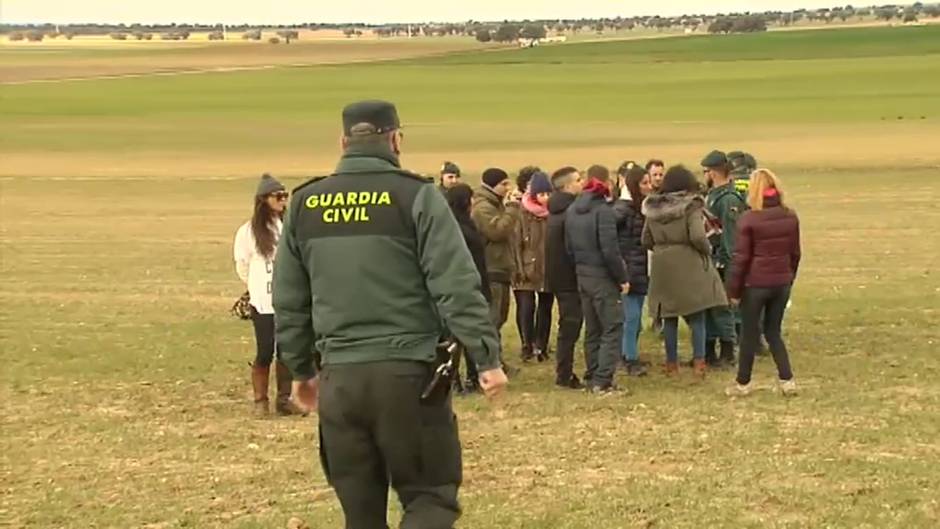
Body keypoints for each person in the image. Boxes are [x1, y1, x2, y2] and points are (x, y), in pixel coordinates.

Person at [273, 100, 508, 529]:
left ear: (343, 142)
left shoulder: (305, 203)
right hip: (407, 377)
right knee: (431, 499)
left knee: (360, 514)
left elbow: (289, 300)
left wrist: (301, 369)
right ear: (396, 139)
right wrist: (486, 357)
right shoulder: (417, 196)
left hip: (340, 380)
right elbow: (455, 283)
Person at [642, 165, 729, 378]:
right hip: (689, 262)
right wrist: (707, 251)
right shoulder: (691, 207)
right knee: (697, 314)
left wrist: (663, 250)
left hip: (663, 266)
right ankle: (699, 361)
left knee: (669, 316)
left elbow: (645, 239)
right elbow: (698, 236)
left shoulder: (652, 208)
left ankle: (671, 363)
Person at [726, 169, 801, 397]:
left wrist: (734, 290)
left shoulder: (749, 219)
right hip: (781, 282)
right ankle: (787, 380)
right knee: (773, 332)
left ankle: (743, 383)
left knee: (749, 333)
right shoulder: (789, 216)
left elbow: (741, 259)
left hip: (755, 284)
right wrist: (789, 277)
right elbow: (795, 253)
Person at [233, 173, 303, 417]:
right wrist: (255, 286)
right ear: (264, 200)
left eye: (285, 196)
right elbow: (242, 264)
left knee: (287, 351)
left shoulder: (290, 227)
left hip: (288, 300)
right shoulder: (248, 232)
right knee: (265, 350)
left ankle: (284, 400)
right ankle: (260, 400)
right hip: (262, 302)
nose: (284, 201)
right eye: (278, 196)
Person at [566, 164, 628, 394]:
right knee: (612, 327)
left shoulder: (573, 210)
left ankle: (592, 374)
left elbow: (568, 247)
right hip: (602, 277)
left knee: (592, 329)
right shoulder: (603, 212)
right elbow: (610, 249)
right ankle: (603, 381)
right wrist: (621, 277)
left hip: (583, 275)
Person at [446, 183, 491, 394]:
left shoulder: (464, 223)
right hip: (463, 287)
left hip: (474, 282)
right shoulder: (457, 227)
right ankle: (454, 379)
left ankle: (473, 376)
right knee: (459, 336)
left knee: (469, 334)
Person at [472, 167, 521, 362]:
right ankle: (487, 363)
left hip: (501, 268)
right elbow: (497, 232)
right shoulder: (483, 207)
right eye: (504, 184)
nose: (508, 188)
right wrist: (512, 208)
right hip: (491, 268)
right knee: (491, 320)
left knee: (499, 318)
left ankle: (496, 360)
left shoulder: (496, 204)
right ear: (493, 185)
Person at [702, 150, 745, 368]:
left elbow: (730, 236)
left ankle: (727, 351)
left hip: (723, 261)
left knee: (724, 308)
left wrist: (731, 267)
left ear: (713, 172)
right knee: (710, 307)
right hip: (710, 260)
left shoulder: (728, 199)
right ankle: (709, 351)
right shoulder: (712, 195)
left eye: (706, 171)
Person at [545, 166, 585, 389]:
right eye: (578, 180)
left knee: (568, 326)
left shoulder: (556, 210)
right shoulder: (570, 212)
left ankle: (565, 371)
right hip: (568, 278)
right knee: (570, 326)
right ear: (567, 186)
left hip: (559, 277)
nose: (582, 183)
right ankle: (564, 374)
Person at [613, 162, 653, 377]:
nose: (649, 186)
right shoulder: (622, 209)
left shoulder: (641, 207)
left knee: (636, 319)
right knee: (631, 317)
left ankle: (629, 353)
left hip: (640, 268)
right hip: (629, 269)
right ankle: (628, 358)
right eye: (644, 183)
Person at [512, 171, 554, 363]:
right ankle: (526, 343)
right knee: (526, 307)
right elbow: (516, 242)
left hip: (548, 266)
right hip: (526, 266)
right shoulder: (521, 214)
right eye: (542, 194)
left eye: (548, 194)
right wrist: (519, 268)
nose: (545, 198)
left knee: (545, 308)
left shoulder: (554, 214)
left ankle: (541, 345)